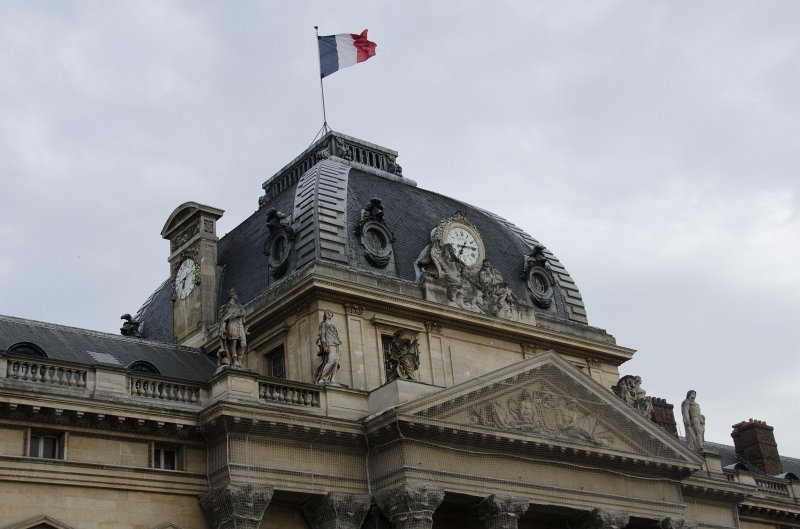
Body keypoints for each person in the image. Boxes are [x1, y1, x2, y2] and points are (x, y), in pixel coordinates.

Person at [219, 290, 248, 368]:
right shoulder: (225, 307)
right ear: (232, 296)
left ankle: (239, 359)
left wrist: (245, 328)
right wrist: (223, 328)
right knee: (233, 342)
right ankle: (235, 360)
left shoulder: (239, 307)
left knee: (243, 344)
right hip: (231, 324)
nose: (236, 297)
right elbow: (223, 319)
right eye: (234, 295)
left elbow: (243, 316)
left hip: (240, 325)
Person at [314, 310, 341, 384]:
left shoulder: (332, 325)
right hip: (330, 344)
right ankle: (322, 378)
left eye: (330, 313)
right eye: (327, 313)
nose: (329, 314)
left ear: (332, 315)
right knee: (331, 361)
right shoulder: (324, 324)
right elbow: (322, 335)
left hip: (336, 344)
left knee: (336, 362)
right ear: (325, 315)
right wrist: (324, 345)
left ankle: (332, 378)